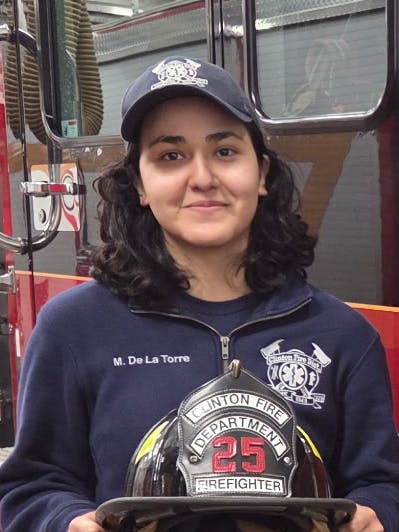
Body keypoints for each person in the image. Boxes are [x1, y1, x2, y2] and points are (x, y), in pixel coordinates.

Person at [0, 56, 398, 531]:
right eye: (171, 155)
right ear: (141, 186)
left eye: (225, 151)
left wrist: (380, 514)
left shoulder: (342, 335)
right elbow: (30, 487)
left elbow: (383, 482)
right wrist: (65, 521)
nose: (203, 177)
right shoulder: (73, 327)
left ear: (263, 173)